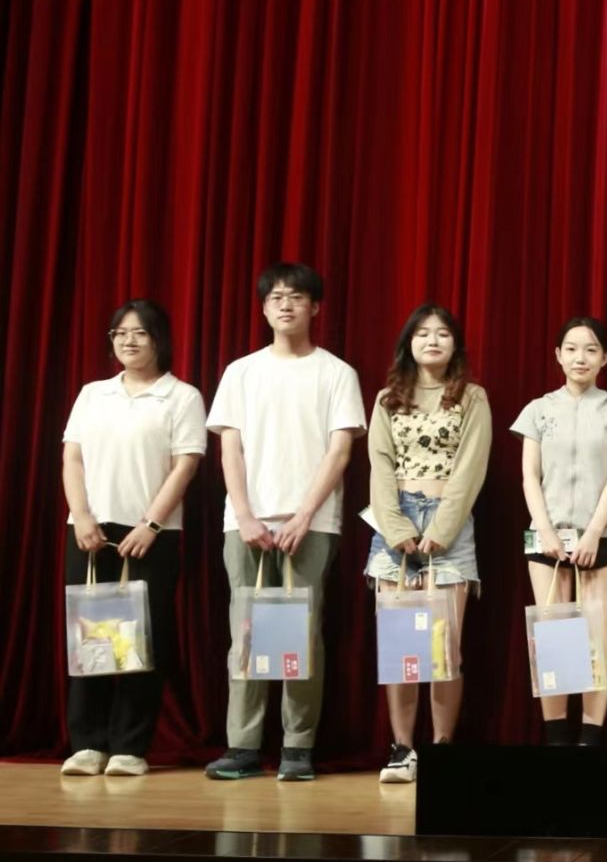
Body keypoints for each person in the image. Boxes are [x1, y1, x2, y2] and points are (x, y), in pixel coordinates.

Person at [204, 263, 366, 781]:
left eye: (296, 297)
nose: (286, 305)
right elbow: (230, 449)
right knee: (247, 632)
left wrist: (303, 515)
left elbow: (340, 452)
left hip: (312, 523)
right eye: (276, 297)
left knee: (302, 633)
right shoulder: (241, 372)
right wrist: (245, 514)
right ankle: (243, 746)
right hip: (246, 522)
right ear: (264, 308)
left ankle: (298, 747)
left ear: (315, 307)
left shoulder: (336, 373)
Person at [58, 300, 207, 777]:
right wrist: (82, 516)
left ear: (159, 339)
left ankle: (129, 746)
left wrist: (152, 524)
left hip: (150, 533)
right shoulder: (93, 394)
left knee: (143, 640)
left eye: (139, 333)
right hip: (90, 530)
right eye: (120, 333)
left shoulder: (181, 396)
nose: (128, 341)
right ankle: (87, 744)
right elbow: (73, 458)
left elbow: (185, 465)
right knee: (91, 637)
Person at [364, 304, 492, 783]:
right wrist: (396, 529)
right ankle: (402, 748)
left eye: (441, 334)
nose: (432, 341)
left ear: (455, 344)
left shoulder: (472, 397)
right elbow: (379, 465)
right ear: (408, 343)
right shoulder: (387, 399)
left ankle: (441, 748)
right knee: (402, 647)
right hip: (394, 524)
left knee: (443, 647)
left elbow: (471, 467)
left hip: (448, 527)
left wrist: (442, 527)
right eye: (422, 333)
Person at [511, 316, 607, 746]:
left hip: (602, 536)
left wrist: (593, 533)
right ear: (557, 355)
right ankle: (555, 739)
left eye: (590, 349)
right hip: (545, 537)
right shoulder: (538, 410)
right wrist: (545, 530)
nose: (579, 357)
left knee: (594, 637)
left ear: (605, 358)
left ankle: (589, 739)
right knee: (552, 634)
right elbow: (529, 477)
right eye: (571, 348)